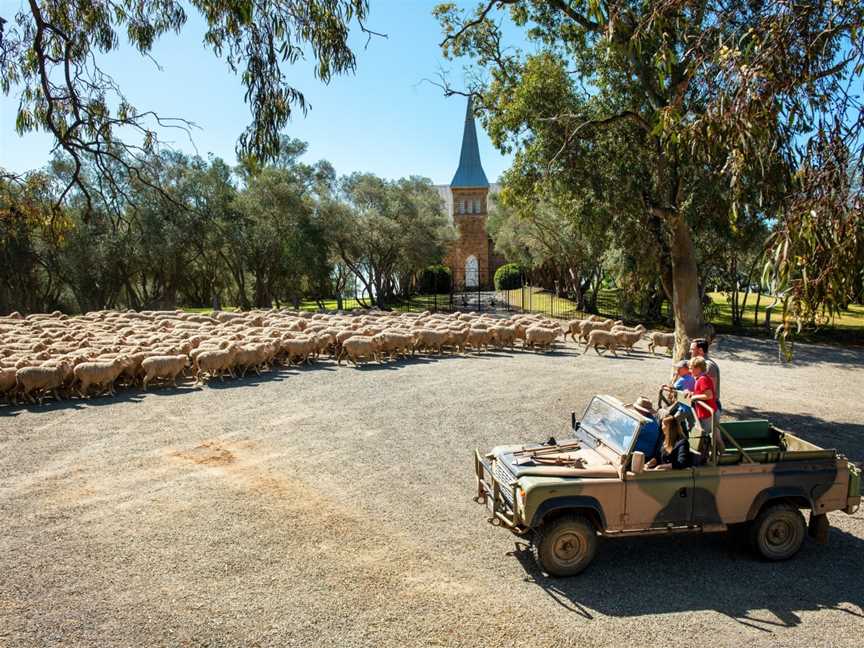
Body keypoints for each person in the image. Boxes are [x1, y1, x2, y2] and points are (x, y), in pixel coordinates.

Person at [686, 356, 724, 461]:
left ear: (698, 368)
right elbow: (702, 393)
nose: (690, 371)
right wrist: (693, 393)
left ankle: (712, 457)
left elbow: (709, 395)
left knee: (704, 437)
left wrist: (694, 397)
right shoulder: (701, 378)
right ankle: (720, 456)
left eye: (691, 368)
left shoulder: (702, 379)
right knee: (716, 436)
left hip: (708, 414)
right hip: (710, 412)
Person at [690, 337, 720, 411]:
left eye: (692, 349)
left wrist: (694, 396)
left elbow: (711, 390)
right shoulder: (699, 364)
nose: (690, 351)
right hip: (701, 404)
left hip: (708, 406)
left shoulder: (708, 365)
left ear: (700, 350)